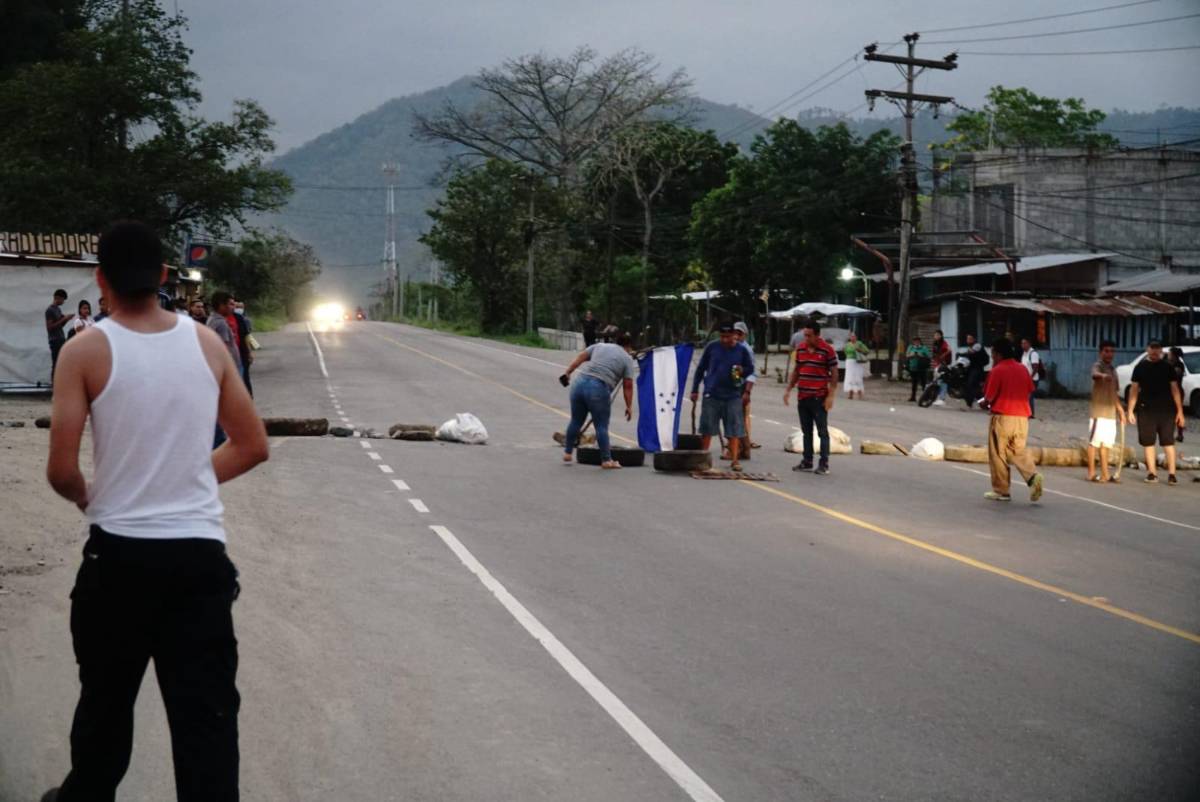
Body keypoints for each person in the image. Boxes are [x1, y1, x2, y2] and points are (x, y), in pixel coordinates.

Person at [43, 220, 268, 802]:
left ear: (101, 278)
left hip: (118, 562)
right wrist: (187, 478)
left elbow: (61, 470)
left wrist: (91, 496)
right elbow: (252, 445)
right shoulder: (207, 343)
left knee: (105, 710)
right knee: (207, 723)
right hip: (198, 565)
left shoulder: (83, 351)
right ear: (165, 276)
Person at [979, 337, 1044, 502]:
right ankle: (1032, 476)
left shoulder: (998, 370)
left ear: (998, 354)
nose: (992, 357)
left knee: (998, 454)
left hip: (1002, 417)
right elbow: (1029, 389)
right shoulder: (1022, 369)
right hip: (1022, 418)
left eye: (993, 353)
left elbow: (989, 397)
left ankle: (1002, 490)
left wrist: (984, 404)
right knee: (1018, 451)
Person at [560, 333, 636, 469]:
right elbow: (628, 386)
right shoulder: (627, 358)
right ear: (629, 346)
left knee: (576, 420)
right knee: (601, 426)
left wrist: (568, 373)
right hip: (598, 388)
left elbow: (580, 358)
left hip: (579, 383)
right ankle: (606, 460)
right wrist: (629, 406)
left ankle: (567, 452)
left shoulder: (600, 346)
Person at [691, 322, 755, 472]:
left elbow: (750, 368)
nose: (725, 340)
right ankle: (703, 458)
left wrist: (742, 370)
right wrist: (695, 390)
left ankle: (734, 460)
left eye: (728, 337)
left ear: (735, 335)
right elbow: (700, 369)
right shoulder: (712, 347)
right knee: (707, 428)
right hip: (712, 393)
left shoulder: (742, 350)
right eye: (722, 337)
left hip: (733, 394)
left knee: (734, 429)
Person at [783, 319, 838, 475]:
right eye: (804, 336)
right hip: (803, 396)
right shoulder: (800, 350)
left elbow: (834, 374)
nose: (806, 339)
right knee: (806, 431)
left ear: (817, 335)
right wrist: (788, 389)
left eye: (809, 336)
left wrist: (831, 396)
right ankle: (807, 461)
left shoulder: (827, 350)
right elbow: (797, 371)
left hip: (819, 397)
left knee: (822, 431)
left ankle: (824, 463)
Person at [1128, 341, 1186, 485]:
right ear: (1147, 349)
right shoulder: (1140, 367)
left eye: (1157, 349)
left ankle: (1172, 474)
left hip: (1166, 410)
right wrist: (1130, 410)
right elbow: (1134, 389)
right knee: (1148, 443)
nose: (1154, 351)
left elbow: (1175, 389)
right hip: (1145, 409)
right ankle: (1152, 473)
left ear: (1161, 350)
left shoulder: (1168, 367)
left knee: (1168, 442)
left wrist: (1180, 411)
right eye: (1152, 348)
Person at [1087, 340, 1126, 483]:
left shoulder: (1113, 370)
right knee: (1094, 443)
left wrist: (1120, 410)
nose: (1109, 354)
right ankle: (1091, 473)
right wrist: (1103, 376)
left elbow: (1114, 393)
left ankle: (1105, 473)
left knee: (1107, 444)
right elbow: (1095, 374)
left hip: (1110, 413)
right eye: (1106, 351)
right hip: (1099, 412)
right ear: (1100, 352)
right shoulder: (1098, 366)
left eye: (1111, 351)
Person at [722, 321, 760, 458]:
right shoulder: (732, 347)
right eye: (735, 333)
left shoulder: (745, 350)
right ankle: (744, 449)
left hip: (741, 387)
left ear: (745, 335)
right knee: (738, 418)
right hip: (733, 386)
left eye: (740, 333)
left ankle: (736, 450)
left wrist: (747, 392)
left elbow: (752, 373)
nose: (737, 336)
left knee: (735, 419)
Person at [46, 289, 75, 383]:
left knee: (61, 362)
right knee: (56, 363)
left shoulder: (58, 309)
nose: (63, 302)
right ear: (57, 298)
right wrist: (64, 319)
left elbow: (60, 326)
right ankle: (54, 385)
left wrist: (66, 319)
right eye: (62, 300)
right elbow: (50, 327)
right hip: (54, 340)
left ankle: (59, 383)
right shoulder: (50, 310)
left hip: (60, 338)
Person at [232, 299, 254, 396]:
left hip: (242, 352)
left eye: (240, 307)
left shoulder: (241, 319)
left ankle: (248, 398)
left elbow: (246, 336)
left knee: (245, 377)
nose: (238, 309)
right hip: (230, 354)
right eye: (236, 307)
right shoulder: (219, 320)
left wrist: (249, 352)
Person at [1020, 337, 1043, 418]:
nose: (1023, 345)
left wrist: (1030, 377)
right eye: (1022, 343)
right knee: (1026, 396)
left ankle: (1030, 413)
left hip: (1032, 379)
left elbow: (1035, 367)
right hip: (1025, 379)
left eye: (1024, 343)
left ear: (1029, 344)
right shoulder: (1024, 354)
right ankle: (1027, 412)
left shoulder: (1033, 354)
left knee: (1030, 396)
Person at [963, 334, 988, 407]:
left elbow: (972, 353)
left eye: (970, 339)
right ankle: (980, 403)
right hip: (972, 368)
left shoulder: (977, 346)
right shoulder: (970, 347)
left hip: (977, 369)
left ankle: (970, 402)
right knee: (974, 388)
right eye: (967, 339)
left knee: (971, 385)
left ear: (974, 339)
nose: (968, 340)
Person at [1168, 346, 1186, 443]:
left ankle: (1180, 434)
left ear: (1174, 355)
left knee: (1178, 412)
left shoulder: (1179, 365)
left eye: (1170, 353)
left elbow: (1176, 374)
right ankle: (1170, 432)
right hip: (1168, 391)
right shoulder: (1168, 363)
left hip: (1177, 391)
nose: (1168, 355)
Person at [843, 332, 868, 400]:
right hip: (849, 362)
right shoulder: (847, 345)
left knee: (858, 377)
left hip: (857, 362)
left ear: (856, 337)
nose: (852, 338)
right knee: (850, 377)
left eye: (854, 336)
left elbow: (866, 351)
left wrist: (860, 350)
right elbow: (845, 351)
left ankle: (860, 394)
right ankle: (850, 394)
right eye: (851, 336)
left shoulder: (859, 343)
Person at [930, 329, 953, 404]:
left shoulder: (944, 343)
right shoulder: (935, 343)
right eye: (935, 335)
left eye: (938, 335)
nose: (936, 336)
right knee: (935, 380)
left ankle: (942, 398)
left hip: (944, 364)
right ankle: (934, 397)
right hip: (937, 364)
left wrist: (943, 356)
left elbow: (949, 350)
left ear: (941, 336)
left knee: (942, 380)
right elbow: (934, 354)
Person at [906, 336, 931, 402]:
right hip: (913, 368)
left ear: (920, 341)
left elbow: (929, 356)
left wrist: (921, 355)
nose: (916, 342)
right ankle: (913, 397)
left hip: (921, 368)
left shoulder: (924, 348)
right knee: (914, 383)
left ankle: (925, 397)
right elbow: (907, 355)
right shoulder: (910, 347)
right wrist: (912, 355)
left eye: (917, 341)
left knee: (923, 383)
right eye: (915, 341)